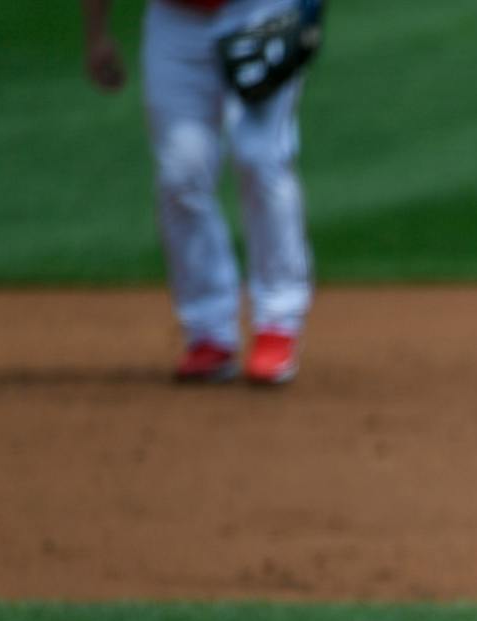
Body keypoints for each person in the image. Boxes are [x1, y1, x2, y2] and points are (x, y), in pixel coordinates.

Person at [81, 0, 314, 385]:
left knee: (260, 157)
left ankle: (278, 321)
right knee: (180, 174)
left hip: (262, 12)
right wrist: (96, 35)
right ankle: (208, 331)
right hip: (176, 22)